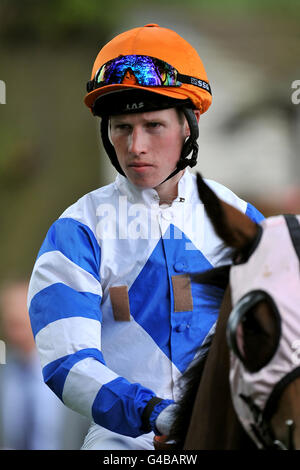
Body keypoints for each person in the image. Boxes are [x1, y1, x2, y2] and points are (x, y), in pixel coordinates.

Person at [27, 24, 264, 450]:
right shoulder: (76, 230)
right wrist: (154, 413)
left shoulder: (242, 220)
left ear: (188, 128)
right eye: (121, 127)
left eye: (154, 125)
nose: (136, 145)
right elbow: (66, 361)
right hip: (122, 443)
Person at [0, 280, 90, 449]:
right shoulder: (5, 374)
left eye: (21, 307)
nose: (12, 315)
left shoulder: (74, 372)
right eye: (8, 309)